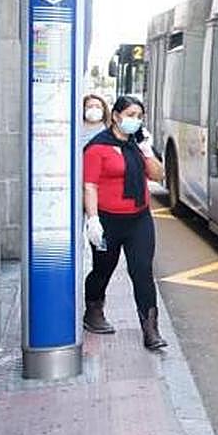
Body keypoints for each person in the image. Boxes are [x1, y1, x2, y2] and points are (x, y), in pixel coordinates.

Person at [81, 95, 168, 349]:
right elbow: (89, 186)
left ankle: (151, 330)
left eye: (139, 117)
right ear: (117, 116)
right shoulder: (98, 147)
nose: (135, 121)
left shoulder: (137, 145)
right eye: (130, 115)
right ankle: (93, 310)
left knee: (142, 271)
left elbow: (158, 175)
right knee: (102, 270)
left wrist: (147, 151)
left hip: (139, 219)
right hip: (108, 220)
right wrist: (93, 219)